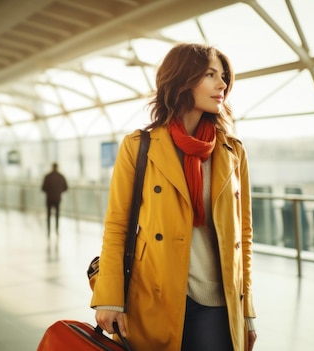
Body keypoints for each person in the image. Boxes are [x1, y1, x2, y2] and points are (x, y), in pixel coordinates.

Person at [91, 43, 257, 351]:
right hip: (155, 294)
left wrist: (247, 311)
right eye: (210, 75)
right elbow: (117, 226)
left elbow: (243, 237)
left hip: (217, 301)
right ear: (182, 80)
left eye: (223, 76)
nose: (222, 84)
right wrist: (110, 298)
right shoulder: (139, 146)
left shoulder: (233, 151)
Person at [41, 162, 68, 234]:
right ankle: (57, 229)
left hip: (49, 198)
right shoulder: (61, 176)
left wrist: (49, 191)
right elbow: (66, 187)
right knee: (57, 215)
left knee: (49, 215)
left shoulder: (47, 176)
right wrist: (59, 191)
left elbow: (43, 188)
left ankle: (48, 229)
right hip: (57, 198)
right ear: (57, 167)